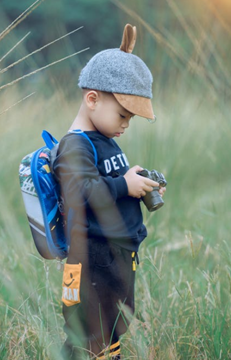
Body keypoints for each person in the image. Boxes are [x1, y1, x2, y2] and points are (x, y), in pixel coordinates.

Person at [53, 24, 166, 360]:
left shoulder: (103, 140)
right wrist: (123, 185)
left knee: (112, 323)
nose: (126, 125)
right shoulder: (74, 145)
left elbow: (106, 182)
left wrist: (133, 179)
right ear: (92, 99)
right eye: (122, 114)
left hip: (113, 257)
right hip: (91, 259)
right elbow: (83, 191)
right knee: (88, 331)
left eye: (130, 118)